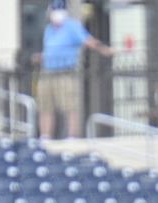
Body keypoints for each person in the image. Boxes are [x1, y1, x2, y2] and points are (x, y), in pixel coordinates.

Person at [37, 1, 112, 139]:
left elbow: (88, 41)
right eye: (55, 10)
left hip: (66, 71)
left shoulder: (72, 26)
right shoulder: (49, 29)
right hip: (48, 71)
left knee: (70, 105)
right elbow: (49, 49)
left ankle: (72, 136)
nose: (57, 13)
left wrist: (103, 49)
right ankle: (45, 136)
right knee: (45, 106)